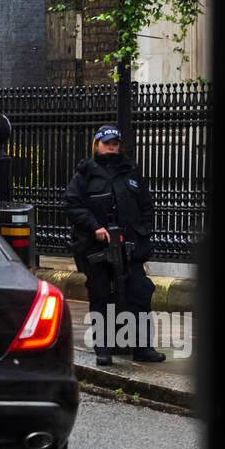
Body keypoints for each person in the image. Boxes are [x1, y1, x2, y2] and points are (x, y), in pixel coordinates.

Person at [63, 124, 165, 367]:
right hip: (98, 248)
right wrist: (95, 227)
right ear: (97, 144)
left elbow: (146, 206)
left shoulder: (130, 171)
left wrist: (143, 233)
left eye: (115, 143)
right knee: (101, 296)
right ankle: (104, 349)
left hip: (130, 248)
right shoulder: (86, 172)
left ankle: (143, 348)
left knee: (139, 295)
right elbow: (71, 204)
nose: (111, 146)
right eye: (107, 142)